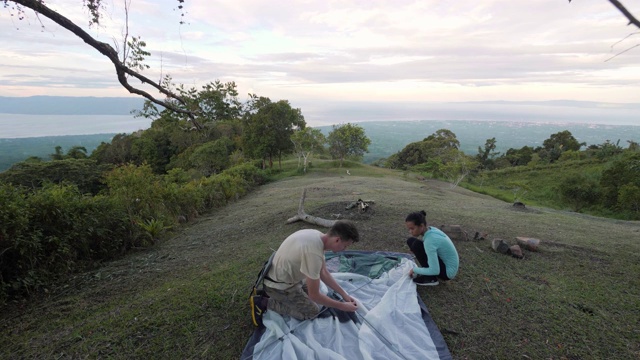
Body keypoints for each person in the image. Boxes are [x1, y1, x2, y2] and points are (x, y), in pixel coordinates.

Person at [263, 220, 360, 320]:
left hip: (287, 276)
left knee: (318, 296)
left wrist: (344, 295)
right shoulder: (313, 253)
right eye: (345, 246)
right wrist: (342, 306)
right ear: (337, 240)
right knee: (313, 312)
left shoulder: (317, 235)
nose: (345, 249)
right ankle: (266, 302)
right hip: (279, 286)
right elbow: (315, 296)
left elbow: (323, 272)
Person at [405, 210, 459, 286]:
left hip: (447, 273)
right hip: (446, 265)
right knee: (411, 241)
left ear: (421, 226)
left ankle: (431, 279)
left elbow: (435, 270)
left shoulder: (430, 240)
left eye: (412, 229)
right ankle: (428, 274)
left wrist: (415, 270)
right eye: (409, 229)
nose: (410, 231)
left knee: (416, 245)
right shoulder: (431, 229)